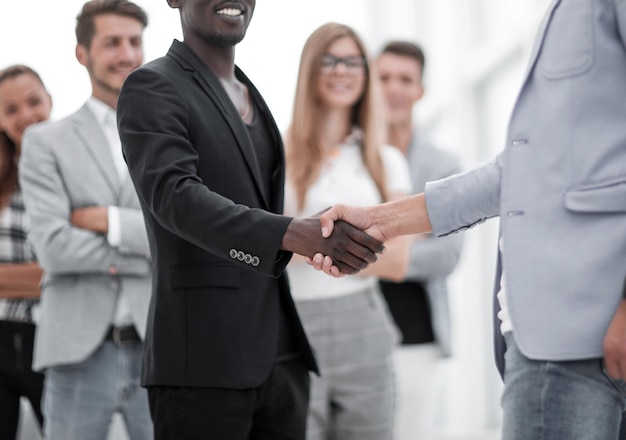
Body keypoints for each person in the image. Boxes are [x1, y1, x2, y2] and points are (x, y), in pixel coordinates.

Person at [317, 1, 626, 439]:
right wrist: (379, 221)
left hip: (579, 329)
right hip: (545, 333)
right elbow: (518, 169)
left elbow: (441, 257)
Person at [116, 2, 384, 439]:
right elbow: (174, 197)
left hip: (281, 359)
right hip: (202, 364)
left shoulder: (251, 93)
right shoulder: (152, 85)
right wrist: (291, 232)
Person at [18, 1, 153, 439]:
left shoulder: (173, 135)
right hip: (75, 351)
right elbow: (55, 249)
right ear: (82, 52)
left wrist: (109, 221)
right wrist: (149, 248)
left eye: (134, 41)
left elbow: (187, 235)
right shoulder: (45, 141)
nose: (127, 53)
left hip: (160, 345)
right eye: (112, 42)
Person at [283, 22, 412, 440]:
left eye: (352, 61)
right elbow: (253, 240)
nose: (341, 71)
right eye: (330, 60)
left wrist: (304, 245)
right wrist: (351, 247)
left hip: (365, 326)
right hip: (292, 326)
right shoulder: (274, 155)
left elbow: (397, 261)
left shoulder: (386, 161)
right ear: (310, 70)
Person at [374, 40, 465, 440]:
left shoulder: (443, 167)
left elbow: (446, 255)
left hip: (419, 334)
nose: (394, 88)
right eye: (384, 77)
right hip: (358, 331)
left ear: (420, 90)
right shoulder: (349, 157)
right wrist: (411, 239)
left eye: (405, 79)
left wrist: (367, 256)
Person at [0, 64, 51, 440]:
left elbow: (64, 272)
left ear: (49, 101)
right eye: (10, 109)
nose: (25, 116)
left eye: (33, 102)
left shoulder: (69, 175)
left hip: (52, 341)